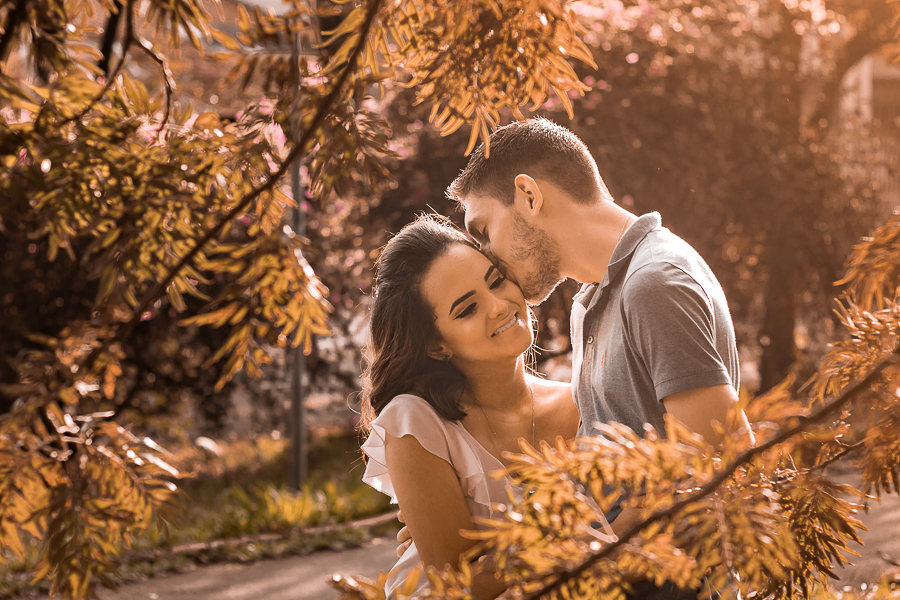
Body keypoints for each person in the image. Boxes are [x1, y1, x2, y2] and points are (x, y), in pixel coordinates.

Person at [443, 117, 753, 599]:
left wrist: (568, 551)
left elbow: (720, 467)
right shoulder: (592, 300)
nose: (488, 259)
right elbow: (615, 467)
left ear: (528, 195)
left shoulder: (655, 283)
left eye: (484, 231)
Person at [358, 214, 584, 598]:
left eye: (496, 280)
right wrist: (592, 538)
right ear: (436, 345)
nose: (498, 306)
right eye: (466, 309)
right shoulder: (414, 423)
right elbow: (459, 587)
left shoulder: (582, 402)